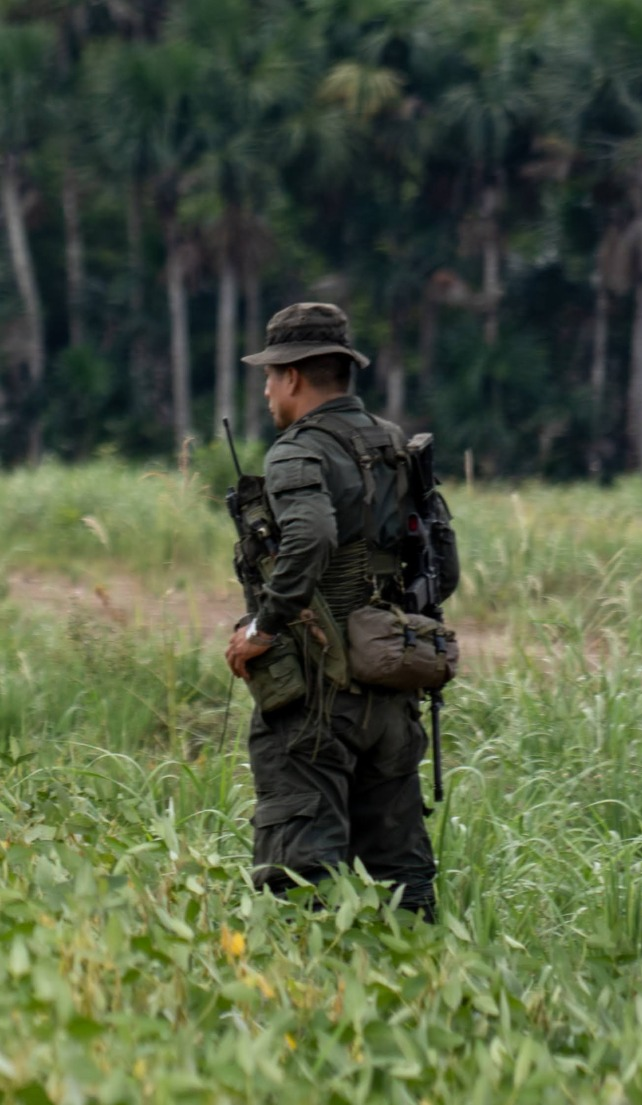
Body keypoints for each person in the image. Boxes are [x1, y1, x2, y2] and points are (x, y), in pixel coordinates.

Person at [224, 302, 446, 921]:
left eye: (270, 375)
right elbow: (442, 563)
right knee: (403, 877)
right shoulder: (395, 446)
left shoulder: (297, 453)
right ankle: (420, 988)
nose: (267, 389)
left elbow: (312, 535)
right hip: (393, 686)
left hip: (319, 694)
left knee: (300, 874)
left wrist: (263, 628)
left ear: (293, 376)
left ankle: (308, 995)